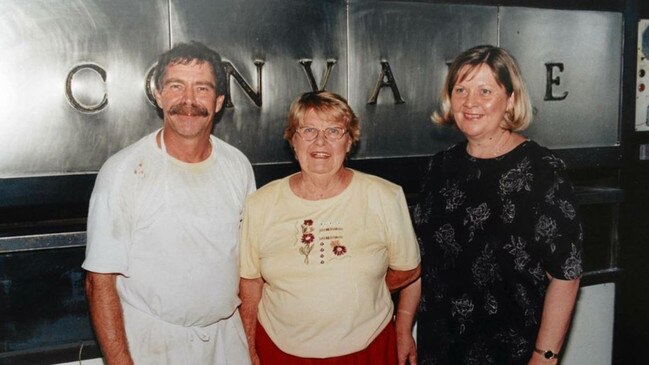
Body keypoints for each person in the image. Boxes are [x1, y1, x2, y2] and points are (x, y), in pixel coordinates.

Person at [82, 41, 256, 365]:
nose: (188, 100)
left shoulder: (238, 166)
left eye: (201, 88)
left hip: (226, 341)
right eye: (176, 86)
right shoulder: (123, 171)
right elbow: (99, 282)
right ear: (159, 95)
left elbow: (249, 270)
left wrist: (250, 346)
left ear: (218, 102)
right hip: (151, 345)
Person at [414, 45, 583, 365]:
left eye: (485, 90)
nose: (470, 102)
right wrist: (404, 326)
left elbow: (566, 274)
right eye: (460, 89)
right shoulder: (439, 167)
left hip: (512, 351)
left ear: (511, 99)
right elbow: (422, 258)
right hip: (440, 348)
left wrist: (544, 357)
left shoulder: (542, 170)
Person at [239, 91, 421, 365]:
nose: (320, 141)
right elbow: (251, 283)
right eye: (308, 130)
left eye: (334, 131)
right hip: (280, 351)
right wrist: (250, 349)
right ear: (293, 140)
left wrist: (364, 292)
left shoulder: (385, 196)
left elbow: (409, 269)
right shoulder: (260, 203)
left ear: (349, 142)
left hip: (367, 350)